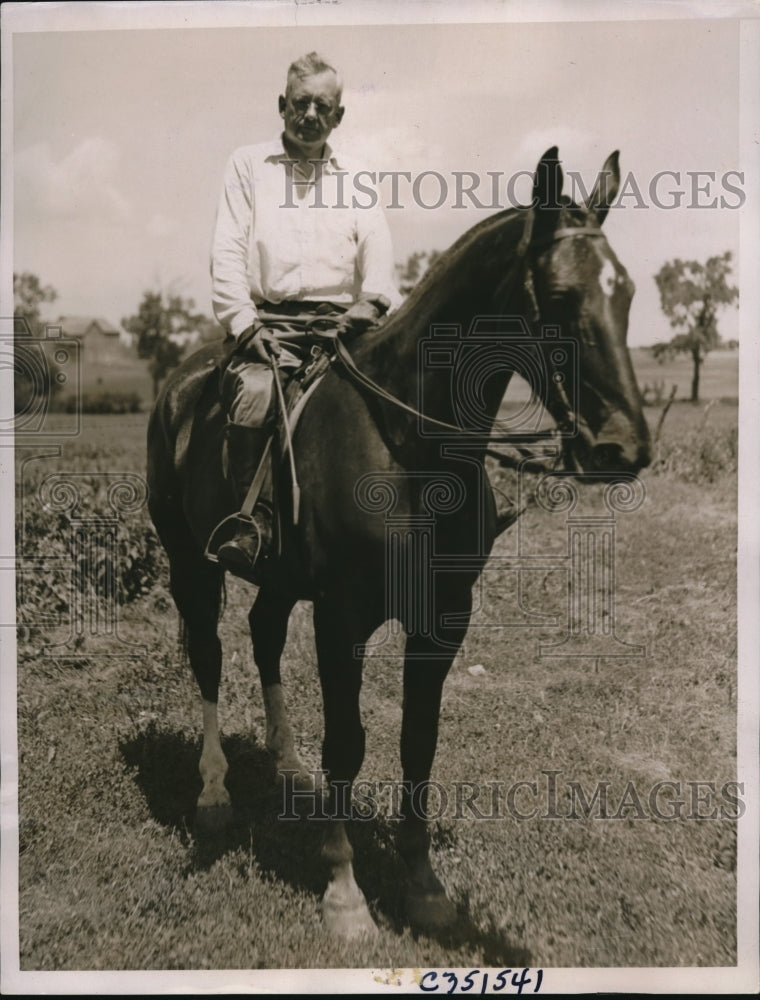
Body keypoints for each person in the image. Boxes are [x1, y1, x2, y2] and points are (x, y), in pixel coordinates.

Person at [209, 52, 401, 581]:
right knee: (254, 396)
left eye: (324, 105)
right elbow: (227, 251)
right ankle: (254, 524)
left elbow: (378, 252)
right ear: (282, 106)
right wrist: (245, 327)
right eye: (301, 103)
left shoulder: (357, 176)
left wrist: (372, 300)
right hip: (273, 329)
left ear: (338, 116)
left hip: (346, 328)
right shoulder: (248, 165)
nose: (311, 114)